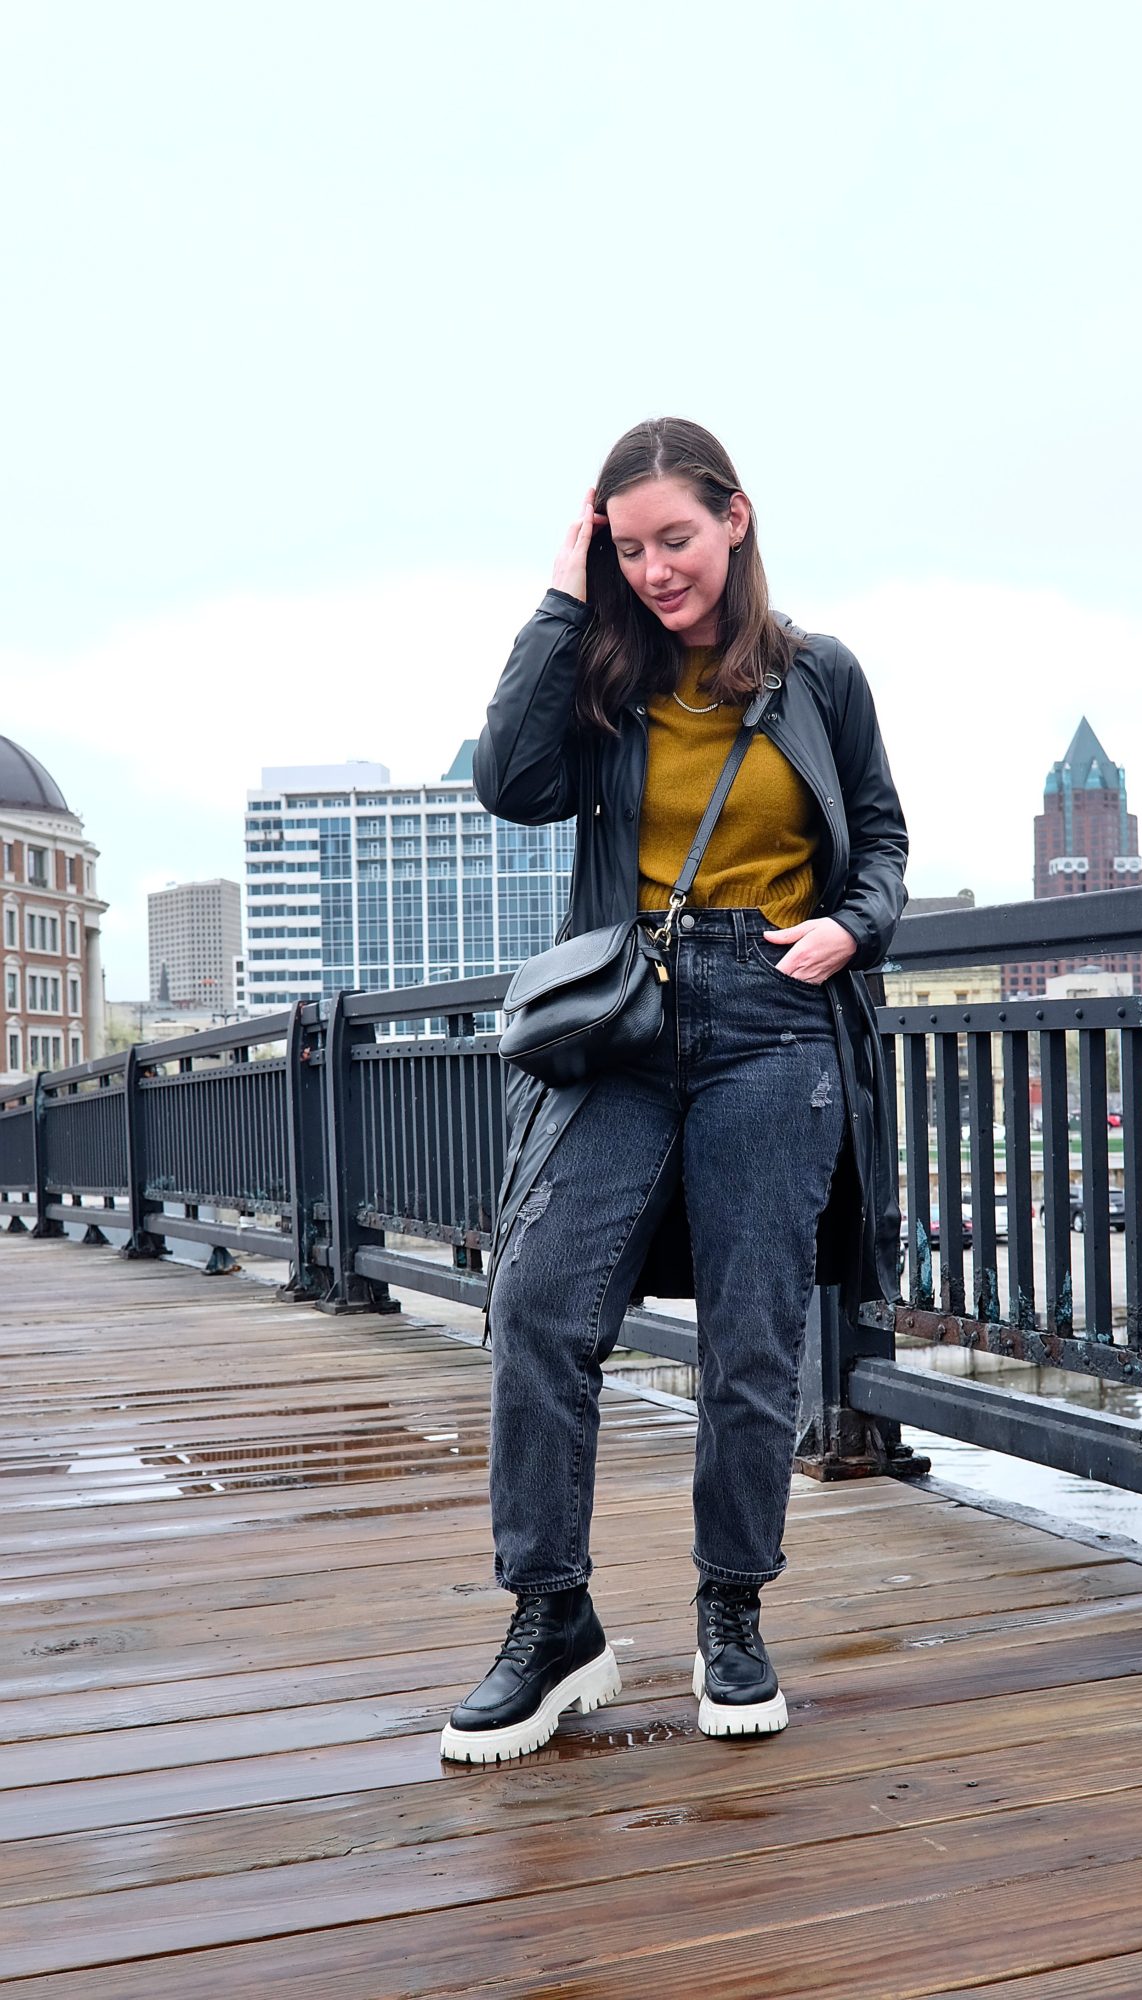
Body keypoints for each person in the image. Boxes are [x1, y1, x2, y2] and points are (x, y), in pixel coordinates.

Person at [440, 418, 908, 1764]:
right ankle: (552, 1619)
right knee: (538, 1302)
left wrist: (850, 927)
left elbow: (875, 832)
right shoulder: (602, 678)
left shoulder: (819, 678)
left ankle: (730, 1608)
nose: (654, 569)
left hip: (774, 1021)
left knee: (749, 1340)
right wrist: (557, 593)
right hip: (624, 1025)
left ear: (737, 521)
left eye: (675, 540)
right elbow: (506, 784)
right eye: (627, 546)